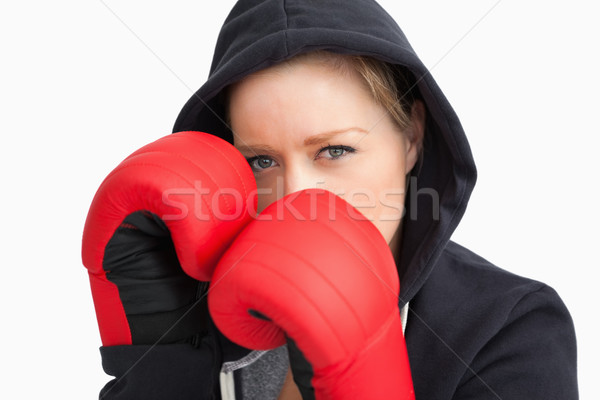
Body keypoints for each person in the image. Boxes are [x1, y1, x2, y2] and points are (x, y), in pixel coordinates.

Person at [84, 0, 578, 399]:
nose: (296, 196)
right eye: (261, 161)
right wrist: (164, 367)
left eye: (334, 150)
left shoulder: (508, 327)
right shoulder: (199, 308)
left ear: (412, 136)